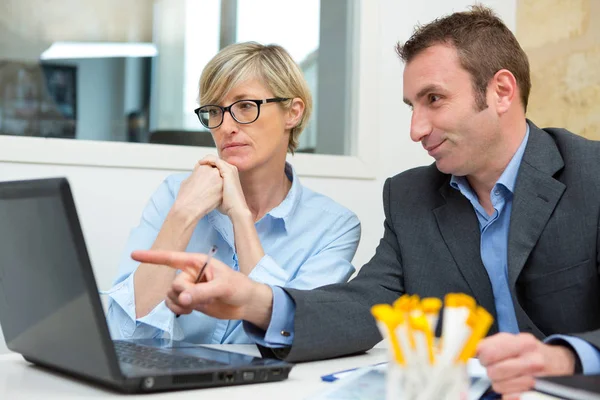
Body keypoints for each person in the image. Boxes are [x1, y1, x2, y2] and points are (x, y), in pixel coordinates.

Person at [131, 6, 600, 397]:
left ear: (501, 91)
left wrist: (564, 356)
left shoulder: (591, 176)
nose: (416, 130)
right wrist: (254, 301)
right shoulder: (412, 196)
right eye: (411, 106)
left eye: (433, 99)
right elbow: (365, 306)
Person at [105, 42, 361, 344]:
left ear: (292, 112)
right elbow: (122, 333)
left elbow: (293, 335)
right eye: (214, 111)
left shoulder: (334, 227)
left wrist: (241, 217)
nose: (226, 126)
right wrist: (183, 215)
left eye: (245, 106)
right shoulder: (175, 195)